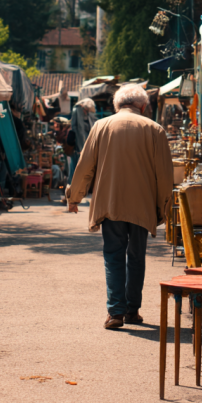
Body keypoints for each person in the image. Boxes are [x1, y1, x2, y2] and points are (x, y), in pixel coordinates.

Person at [66, 84, 174, 330]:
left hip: (110, 203)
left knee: (113, 255)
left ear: (117, 105)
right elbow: (164, 175)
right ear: (144, 107)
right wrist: (163, 208)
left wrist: (74, 198)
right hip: (142, 206)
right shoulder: (154, 129)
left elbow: (85, 167)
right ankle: (132, 310)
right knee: (136, 257)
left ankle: (115, 312)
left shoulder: (100, 127)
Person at [68, 97, 96, 177]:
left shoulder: (85, 112)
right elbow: (79, 130)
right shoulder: (77, 110)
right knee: (77, 165)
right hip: (79, 145)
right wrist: (81, 148)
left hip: (85, 142)